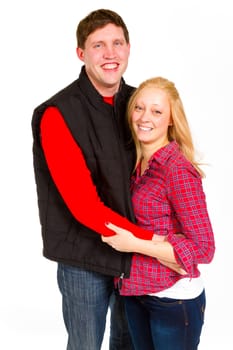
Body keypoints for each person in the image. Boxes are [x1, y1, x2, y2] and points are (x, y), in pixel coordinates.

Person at [31, 8, 162, 350]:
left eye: (117, 43)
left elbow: (164, 173)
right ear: (81, 53)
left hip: (133, 254)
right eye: (98, 45)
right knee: (85, 345)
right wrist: (156, 242)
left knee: (130, 343)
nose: (110, 54)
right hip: (85, 259)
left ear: (129, 48)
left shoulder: (140, 105)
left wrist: (154, 243)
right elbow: (85, 207)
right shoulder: (58, 114)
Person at [102, 77, 215, 350]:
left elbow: (204, 249)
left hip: (173, 300)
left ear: (171, 120)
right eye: (138, 108)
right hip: (137, 292)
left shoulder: (177, 170)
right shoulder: (137, 164)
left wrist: (137, 244)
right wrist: (161, 242)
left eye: (156, 111)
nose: (144, 117)